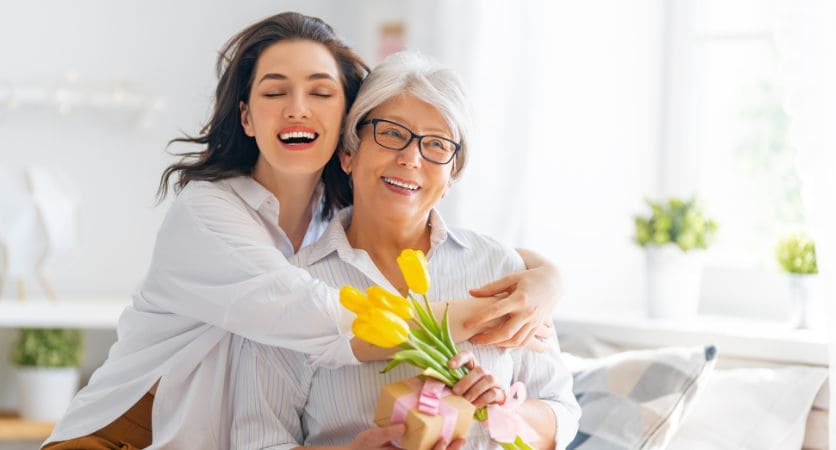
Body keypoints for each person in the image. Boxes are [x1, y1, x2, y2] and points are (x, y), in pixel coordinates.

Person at [43, 12, 562, 450]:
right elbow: (328, 319)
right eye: (275, 92)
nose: (298, 108)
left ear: (343, 122)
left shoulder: (329, 217)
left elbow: (465, 251)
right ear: (247, 118)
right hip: (130, 434)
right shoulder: (209, 214)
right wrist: (492, 312)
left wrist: (543, 280)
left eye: (320, 92)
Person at [231, 50, 580, 450]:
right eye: (392, 134)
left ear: (451, 176)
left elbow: (562, 413)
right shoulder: (295, 286)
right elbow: (257, 441)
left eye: (436, 144)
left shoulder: (500, 269)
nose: (411, 158)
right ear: (348, 154)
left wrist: (500, 410)